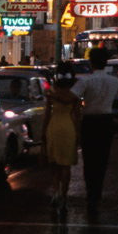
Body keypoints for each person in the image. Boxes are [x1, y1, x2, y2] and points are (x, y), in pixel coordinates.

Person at [69, 47, 118, 215]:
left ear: (91, 62)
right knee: (102, 160)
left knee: (89, 159)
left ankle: (90, 193)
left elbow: (72, 97)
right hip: (106, 121)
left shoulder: (86, 81)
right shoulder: (115, 82)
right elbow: (117, 97)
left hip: (90, 122)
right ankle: (97, 193)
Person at [43, 66, 81, 212]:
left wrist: (43, 133)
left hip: (54, 126)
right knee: (66, 166)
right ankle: (64, 196)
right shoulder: (74, 94)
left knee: (54, 164)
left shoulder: (51, 92)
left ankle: (55, 192)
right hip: (68, 127)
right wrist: (78, 133)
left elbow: (47, 114)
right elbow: (77, 115)